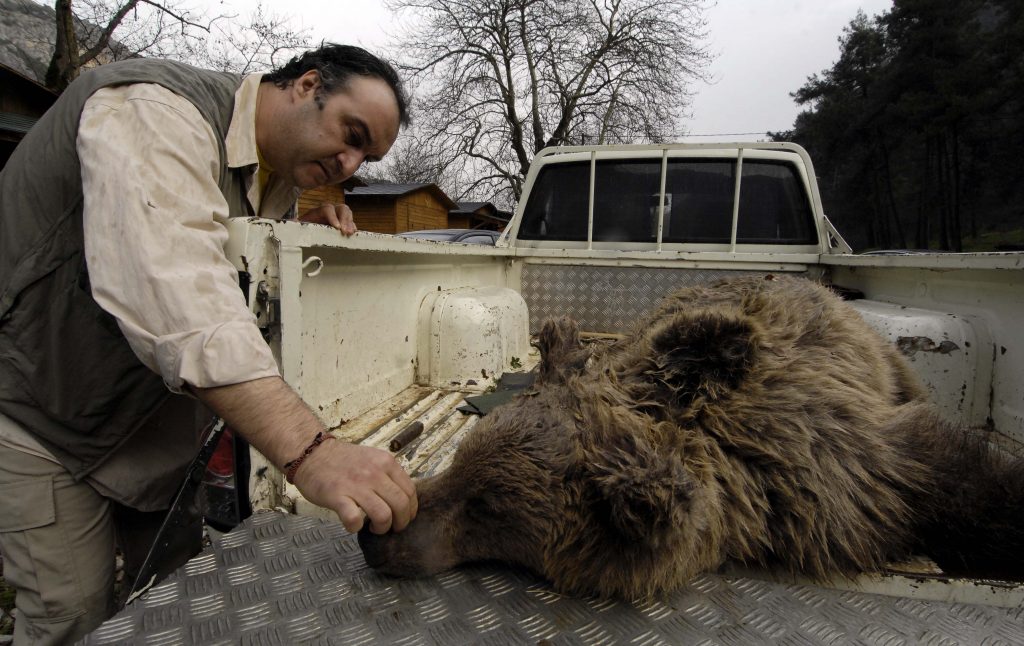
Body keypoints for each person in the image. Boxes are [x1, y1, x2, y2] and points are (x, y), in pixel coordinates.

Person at [0, 44, 418, 644]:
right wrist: (313, 453)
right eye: (350, 134)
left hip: (147, 427)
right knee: (71, 613)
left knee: (172, 597)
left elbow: (221, 255)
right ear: (306, 84)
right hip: (40, 416)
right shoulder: (154, 110)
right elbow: (177, 295)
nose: (351, 164)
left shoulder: (277, 179)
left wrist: (293, 233)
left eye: (366, 155)